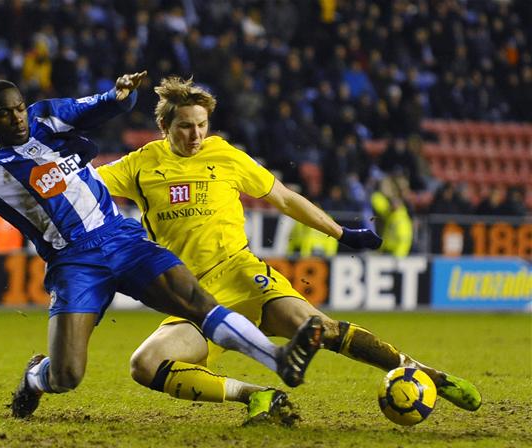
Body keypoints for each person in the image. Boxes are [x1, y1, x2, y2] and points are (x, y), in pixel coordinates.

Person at [0, 72, 325, 420]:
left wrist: (122, 93)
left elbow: (100, 107)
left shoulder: (49, 116)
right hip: (75, 264)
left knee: (195, 299)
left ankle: (276, 359)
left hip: (121, 237)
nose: (19, 117)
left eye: (20, 108)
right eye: (5, 114)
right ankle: (35, 374)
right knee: (67, 376)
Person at [97, 77, 482, 422]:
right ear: (164, 126)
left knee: (321, 329)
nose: (195, 135)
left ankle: (431, 376)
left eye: (201, 125)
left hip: (243, 275)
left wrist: (341, 232)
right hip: (193, 296)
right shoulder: (141, 165)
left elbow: (283, 198)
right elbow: (83, 186)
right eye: (185, 127)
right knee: (145, 365)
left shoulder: (225, 155)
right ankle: (258, 395)